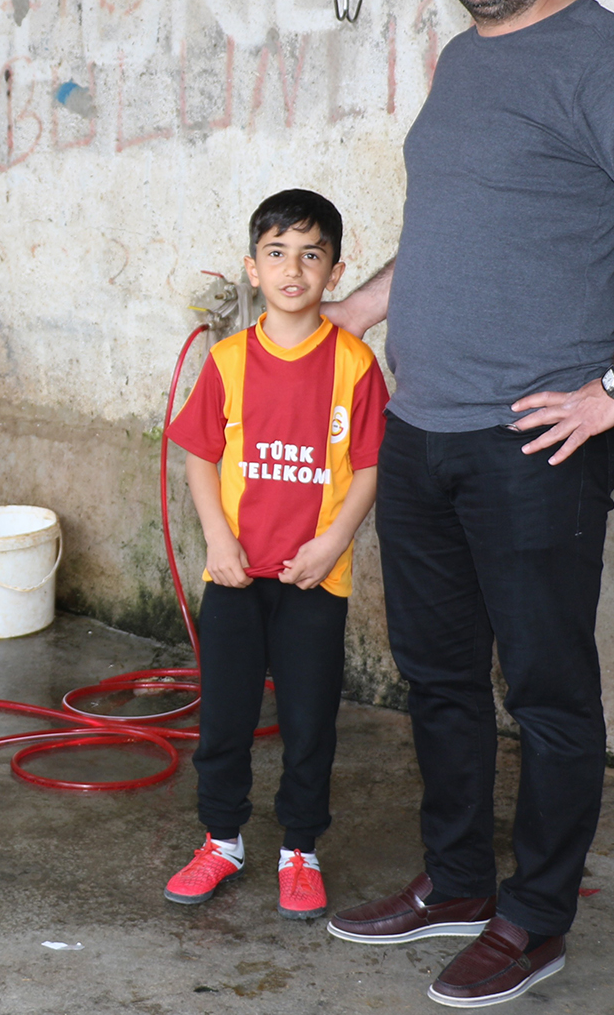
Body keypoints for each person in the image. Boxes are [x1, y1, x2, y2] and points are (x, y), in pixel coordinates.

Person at [318, 0, 614, 1006]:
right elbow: (455, 223)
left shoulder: (608, 56)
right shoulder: (460, 61)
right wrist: (359, 306)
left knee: (545, 690)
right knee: (436, 678)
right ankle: (454, 881)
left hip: (533, 444)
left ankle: (533, 915)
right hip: (418, 429)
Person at [161, 189, 388, 922]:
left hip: (314, 579)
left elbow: (369, 467)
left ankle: (300, 850)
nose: (294, 268)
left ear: (335, 271)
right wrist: (218, 542)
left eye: (311, 254)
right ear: (253, 269)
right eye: (277, 253)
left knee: (310, 718)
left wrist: (333, 543)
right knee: (224, 717)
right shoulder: (228, 362)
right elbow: (200, 457)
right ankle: (221, 840)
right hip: (234, 575)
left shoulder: (355, 365)